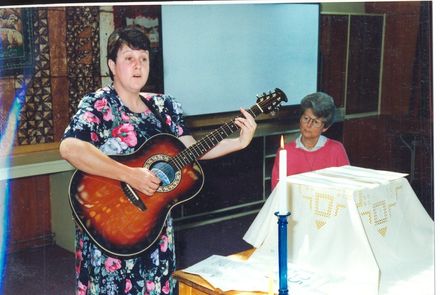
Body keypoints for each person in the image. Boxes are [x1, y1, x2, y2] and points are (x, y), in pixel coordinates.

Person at [59, 26, 257, 295]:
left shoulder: (165, 107)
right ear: (112, 66)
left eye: (144, 58)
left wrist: (238, 142)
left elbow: (190, 148)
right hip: (110, 226)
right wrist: (129, 175)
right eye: (129, 58)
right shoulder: (98, 104)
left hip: (154, 227)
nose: (138, 66)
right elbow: (70, 148)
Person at [271, 92, 349, 189]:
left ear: (325, 127)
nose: (308, 125)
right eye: (306, 118)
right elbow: (276, 190)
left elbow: (346, 188)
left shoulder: (336, 149)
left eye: (315, 122)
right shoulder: (285, 151)